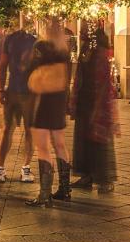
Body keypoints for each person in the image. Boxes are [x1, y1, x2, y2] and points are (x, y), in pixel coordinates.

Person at [24, 37, 73, 206]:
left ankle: (45, 194)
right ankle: (65, 189)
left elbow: (32, 85)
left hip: (43, 109)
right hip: (58, 109)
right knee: (60, 145)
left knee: (43, 148)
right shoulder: (61, 68)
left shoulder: (41, 71)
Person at [72, 25, 118, 193]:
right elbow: (80, 76)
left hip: (97, 104)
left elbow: (103, 82)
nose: (81, 31)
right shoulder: (86, 50)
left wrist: (98, 107)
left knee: (99, 142)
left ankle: (104, 180)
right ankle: (87, 176)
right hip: (85, 103)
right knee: (83, 141)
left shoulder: (99, 53)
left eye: (84, 29)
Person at [0, 20, 38, 184]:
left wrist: (1, 89)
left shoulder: (9, 40)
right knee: (28, 131)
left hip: (12, 90)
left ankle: (0, 167)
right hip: (29, 92)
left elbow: (2, 66)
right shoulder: (34, 41)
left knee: (7, 129)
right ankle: (25, 168)